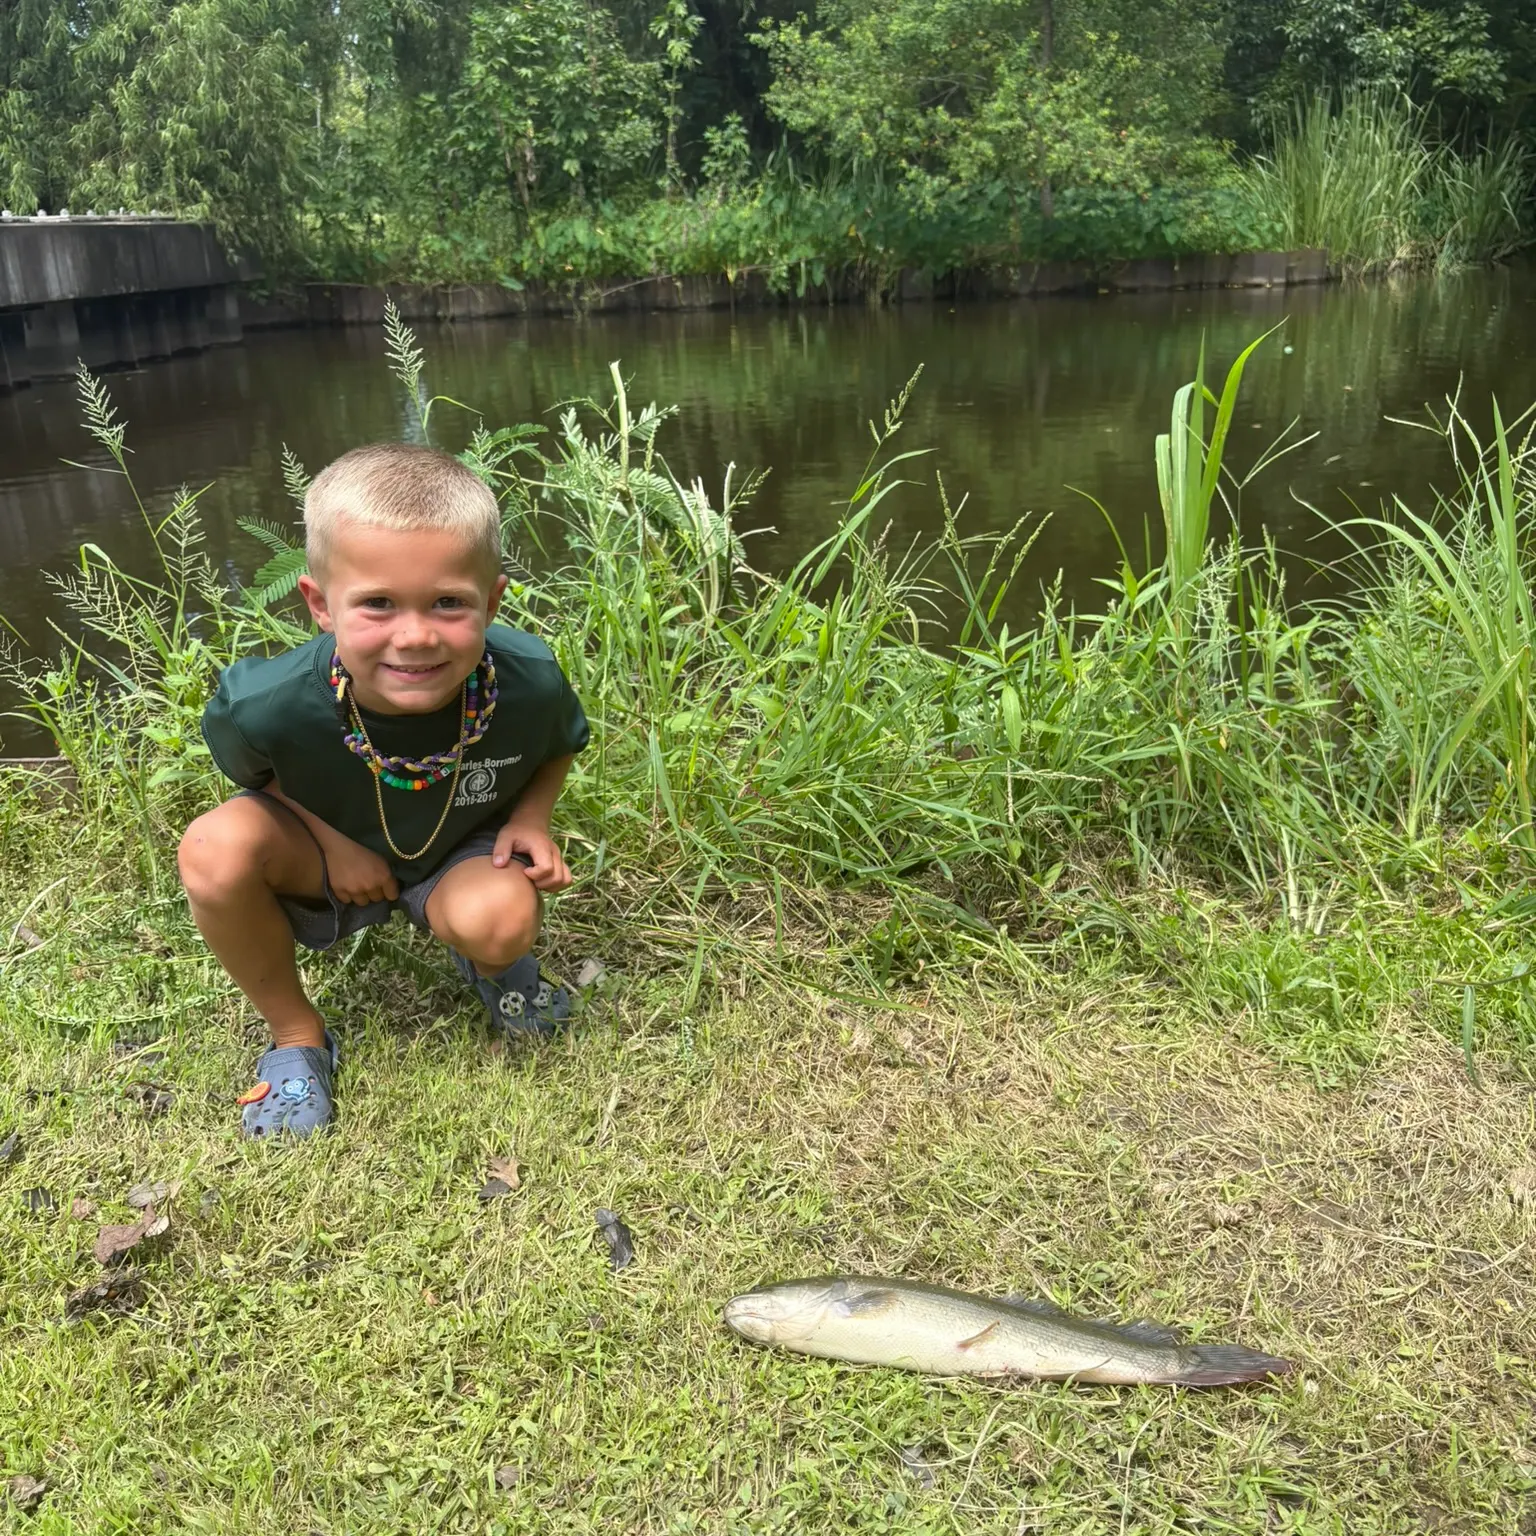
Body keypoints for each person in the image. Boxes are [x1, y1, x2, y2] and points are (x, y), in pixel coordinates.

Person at [177, 441, 589, 1140]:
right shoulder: (266, 701)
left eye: (448, 603)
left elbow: (560, 743)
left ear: (492, 601)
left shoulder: (529, 677)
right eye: (378, 604)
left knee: (501, 921)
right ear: (320, 604)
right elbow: (255, 774)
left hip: (460, 846)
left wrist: (533, 819)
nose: (416, 635)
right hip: (323, 847)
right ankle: (297, 1036)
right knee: (213, 848)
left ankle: (490, 963)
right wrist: (334, 845)